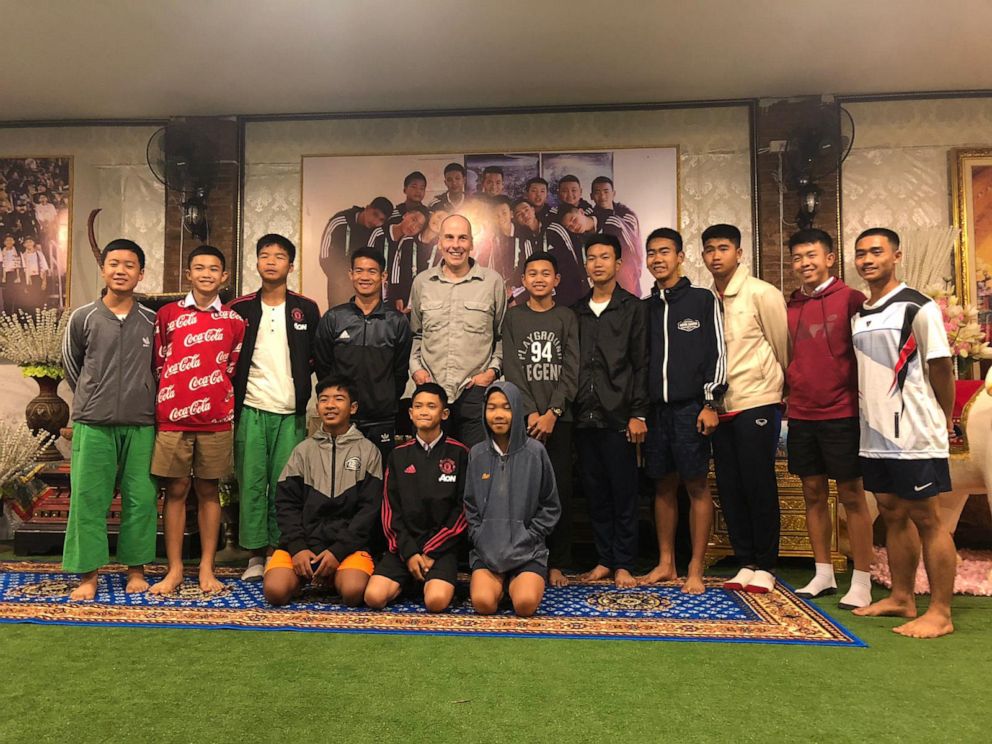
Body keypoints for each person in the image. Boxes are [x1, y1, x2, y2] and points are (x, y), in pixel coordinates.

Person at [850, 228, 956, 638]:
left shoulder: (918, 307)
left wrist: (943, 419)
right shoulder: (861, 313)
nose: (867, 259)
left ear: (897, 255)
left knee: (927, 518)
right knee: (892, 513)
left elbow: (941, 367)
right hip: (875, 433)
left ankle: (941, 612)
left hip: (915, 431)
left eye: (876, 251)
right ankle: (901, 597)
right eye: (860, 254)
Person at [60, 239, 158, 600]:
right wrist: (93, 396)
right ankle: (88, 575)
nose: (121, 270)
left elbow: (159, 370)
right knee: (88, 498)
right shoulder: (83, 317)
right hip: (93, 422)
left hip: (141, 423)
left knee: (141, 498)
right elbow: (72, 365)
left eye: (129, 265)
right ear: (104, 269)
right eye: (114, 263)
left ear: (141, 273)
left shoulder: (151, 320)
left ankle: (136, 569)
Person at [149, 245, 246, 595]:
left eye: (214, 268)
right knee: (175, 490)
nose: (206, 274)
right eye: (199, 267)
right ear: (188, 274)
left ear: (225, 277)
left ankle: (207, 568)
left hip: (216, 418)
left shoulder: (235, 322)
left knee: (209, 490)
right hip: (172, 417)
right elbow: (159, 363)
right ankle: (174, 569)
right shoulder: (167, 314)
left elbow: (231, 368)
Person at [785, 229, 874, 610]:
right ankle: (823, 572)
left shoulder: (852, 299)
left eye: (811, 255)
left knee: (853, 495)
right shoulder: (789, 306)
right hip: (801, 413)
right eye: (798, 258)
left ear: (830, 259)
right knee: (812, 493)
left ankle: (863, 580)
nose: (805, 263)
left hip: (842, 412)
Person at [637, 228, 726, 594]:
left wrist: (710, 402)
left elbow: (718, 354)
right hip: (656, 412)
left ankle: (694, 568)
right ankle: (666, 562)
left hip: (692, 408)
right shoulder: (645, 307)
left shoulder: (702, 300)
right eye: (652, 253)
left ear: (680, 257)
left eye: (665, 252)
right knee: (662, 486)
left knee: (696, 486)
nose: (658, 259)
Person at [702, 224, 789, 594]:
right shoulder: (704, 299)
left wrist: (780, 394)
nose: (716, 255)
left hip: (759, 401)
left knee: (758, 483)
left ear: (739, 253)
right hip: (720, 407)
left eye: (724, 248)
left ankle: (766, 565)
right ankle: (745, 562)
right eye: (709, 249)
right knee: (730, 486)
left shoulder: (761, 294)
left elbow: (782, 346)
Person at [228, 234, 320, 581]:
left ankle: (277, 551)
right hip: (250, 407)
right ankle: (253, 554)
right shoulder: (239, 309)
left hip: (290, 411)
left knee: (285, 485)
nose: (271, 262)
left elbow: (316, 357)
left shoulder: (306, 308)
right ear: (256, 262)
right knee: (251, 481)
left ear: (291, 266)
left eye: (279, 257)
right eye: (264, 255)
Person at [263, 376, 383, 607]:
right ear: (317, 406)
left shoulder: (369, 451)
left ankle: (332, 575)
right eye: (324, 400)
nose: (330, 405)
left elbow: (369, 511)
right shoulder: (303, 451)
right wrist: (297, 548)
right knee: (275, 592)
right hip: (303, 543)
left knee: (353, 592)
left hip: (347, 547)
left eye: (339, 399)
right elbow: (285, 504)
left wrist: (338, 551)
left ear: (353, 407)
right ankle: (309, 572)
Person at [572, 233, 648, 588]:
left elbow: (641, 364)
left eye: (605, 257)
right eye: (592, 258)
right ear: (585, 264)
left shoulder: (633, 309)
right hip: (582, 417)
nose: (598, 263)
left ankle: (624, 564)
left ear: (619, 264)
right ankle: (604, 559)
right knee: (594, 492)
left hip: (620, 416)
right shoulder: (575, 312)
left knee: (624, 493)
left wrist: (638, 413)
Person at [501, 251, 579, 587]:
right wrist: (531, 411)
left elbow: (572, 368)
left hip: (560, 420)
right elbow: (513, 369)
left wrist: (553, 412)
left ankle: (558, 561)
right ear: (523, 280)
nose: (538, 279)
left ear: (556, 280)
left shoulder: (566, 317)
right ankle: (529, 556)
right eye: (531, 273)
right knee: (525, 491)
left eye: (546, 273)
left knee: (558, 490)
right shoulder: (514, 318)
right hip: (524, 419)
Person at [364, 383, 469, 612]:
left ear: (444, 413)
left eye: (431, 406)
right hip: (405, 547)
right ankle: (410, 578)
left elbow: (463, 511)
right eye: (418, 406)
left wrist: (431, 551)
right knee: (373, 597)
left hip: (441, 548)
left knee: (436, 602)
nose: (424, 411)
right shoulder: (398, 455)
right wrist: (409, 553)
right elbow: (390, 509)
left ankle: (425, 579)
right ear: (410, 413)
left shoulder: (459, 453)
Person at [409, 214, 506, 447]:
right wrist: (416, 369)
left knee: (477, 467)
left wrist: (492, 372)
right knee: (432, 472)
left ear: (472, 243)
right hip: (431, 392)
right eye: (449, 238)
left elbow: (501, 336)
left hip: (475, 393)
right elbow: (416, 334)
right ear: (439, 242)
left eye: (462, 238)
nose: (456, 245)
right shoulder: (422, 282)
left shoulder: (492, 282)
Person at [465, 381, 560, 617]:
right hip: (488, 552)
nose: (498, 415)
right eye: (492, 407)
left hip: (527, 552)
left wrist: (530, 536)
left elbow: (551, 506)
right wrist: (480, 536)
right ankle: (499, 586)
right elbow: (470, 506)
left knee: (525, 605)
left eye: (506, 407)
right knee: (483, 604)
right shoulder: (476, 454)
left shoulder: (536, 452)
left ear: (517, 410)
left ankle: (516, 585)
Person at [315, 248, 412, 462]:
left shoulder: (397, 321)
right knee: (340, 480)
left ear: (383, 276)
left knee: (379, 479)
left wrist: (384, 398)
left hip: (382, 419)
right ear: (351, 274)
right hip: (342, 418)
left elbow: (400, 372)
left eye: (372, 271)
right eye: (359, 271)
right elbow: (324, 368)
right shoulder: (334, 318)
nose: (365, 277)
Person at [318, 196, 394, 308]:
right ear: (367, 208)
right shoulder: (340, 221)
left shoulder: (377, 232)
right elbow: (324, 256)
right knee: (339, 320)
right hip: (339, 287)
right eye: (375, 214)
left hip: (365, 288)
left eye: (381, 220)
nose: (376, 221)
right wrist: (339, 280)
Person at [368, 205, 429, 313]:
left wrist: (398, 296)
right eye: (413, 219)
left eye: (419, 226)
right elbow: (367, 261)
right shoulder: (379, 234)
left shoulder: (410, 242)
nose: (413, 226)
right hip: (374, 293)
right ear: (405, 215)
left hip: (395, 298)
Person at [591, 176, 642, 294]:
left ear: (613, 193)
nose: (602, 196)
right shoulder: (590, 216)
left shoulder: (626, 215)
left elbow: (635, 247)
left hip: (627, 274)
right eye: (597, 192)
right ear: (591, 196)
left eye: (606, 191)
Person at [20, 236, 49, 309]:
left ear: (33, 243)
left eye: (30, 241)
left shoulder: (39, 254)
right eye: (27, 242)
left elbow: (44, 268)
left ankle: (38, 317)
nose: (29, 243)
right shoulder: (23, 256)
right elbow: (23, 271)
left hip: (38, 278)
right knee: (30, 300)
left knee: (39, 300)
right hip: (28, 280)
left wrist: (44, 282)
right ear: (24, 245)